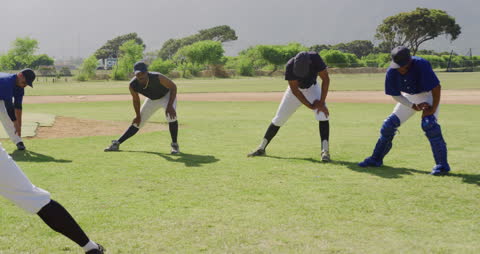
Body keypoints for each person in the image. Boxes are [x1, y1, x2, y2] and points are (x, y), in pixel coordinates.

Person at [0, 72, 105, 253]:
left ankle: (91, 248)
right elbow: (9, 107)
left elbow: (16, 106)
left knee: (36, 198)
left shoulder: (16, 86)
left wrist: (17, 123)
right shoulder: (5, 81)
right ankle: (91, 248)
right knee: (36, 199)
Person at [358, 46, 451, 176]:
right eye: (398, 65)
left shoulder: (421, 65)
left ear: (410, 61)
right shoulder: (392, 71)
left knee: (429, 124)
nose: (400, 69)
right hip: (409, 97)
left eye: (403, 66)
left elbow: (436, 88)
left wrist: (432, 109)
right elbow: (395, 95)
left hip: (428, 95)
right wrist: (412, 105)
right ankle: (376, 159)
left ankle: (442, 166)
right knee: (388, 126)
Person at [247, 51, 332, 161]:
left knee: (323, 115)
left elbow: (326, 79)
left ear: (310, 63)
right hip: (294, 92)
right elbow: (296, 91)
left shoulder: (315, 58)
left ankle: (325, 152)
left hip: (312, 88)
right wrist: (311, 106)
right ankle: (261, 148)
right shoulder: (290, 65)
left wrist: (321, 103)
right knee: (279, 119)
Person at [105, 61, 180, 153]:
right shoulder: (133, 85)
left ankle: (174, 145)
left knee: (171, 116)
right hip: (152, 99)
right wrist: (138, 115)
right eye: (138, 74)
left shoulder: (157, 77)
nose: (141, 75)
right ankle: (117, 143)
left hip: (166, 96)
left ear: (147, 72)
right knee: (138, 122)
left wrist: (170, 106)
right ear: (135, 74)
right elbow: (136, 100)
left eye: (143, 73)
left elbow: (173, 87)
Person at [0, 69, 34, 151]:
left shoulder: (20, 87)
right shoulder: (7, 82)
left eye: (27, 84)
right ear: (20, 75)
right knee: (7, 115)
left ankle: (18, 141)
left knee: (6, 116)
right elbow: (9, 106)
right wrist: (15, 122)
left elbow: (18, 107)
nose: (25, 85)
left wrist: (19, 125)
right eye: (24, 82)